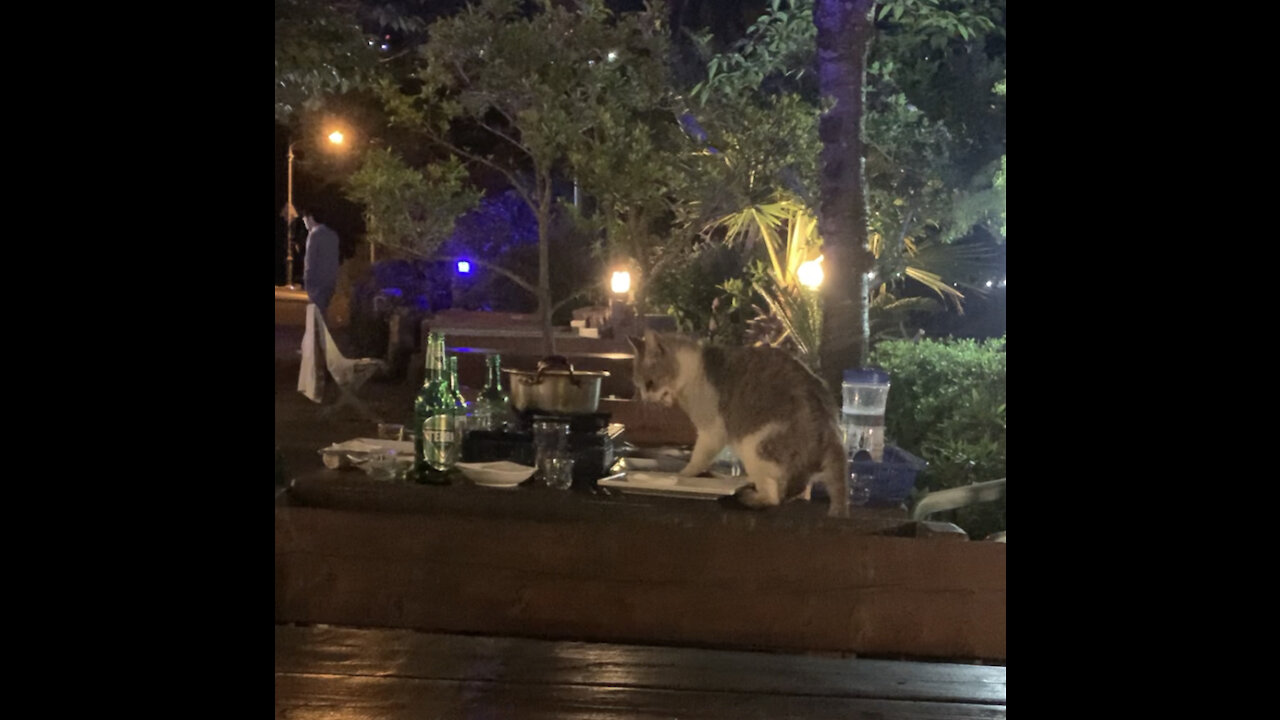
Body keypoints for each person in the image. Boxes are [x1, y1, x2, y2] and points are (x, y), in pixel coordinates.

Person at [301, 209, 340, 316]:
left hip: (316, 282)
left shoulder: (314, 235)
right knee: (323, 312)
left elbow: (310, 260)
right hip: (330, 280)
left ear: (310, 218)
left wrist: (307, 281)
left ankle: (316, 332)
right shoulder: (333, 235)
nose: (304, 222)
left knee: (314, 315)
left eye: (304, 219)